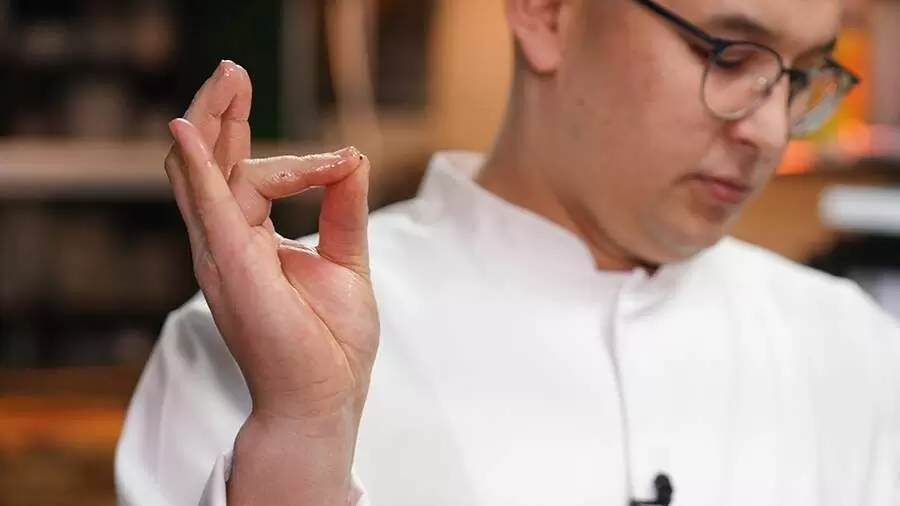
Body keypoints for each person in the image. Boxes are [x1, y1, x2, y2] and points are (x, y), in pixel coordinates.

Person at [115, 0, 900, 504]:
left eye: (803, 75)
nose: (769, 130)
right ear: (546, 13)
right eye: (729, 55)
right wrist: (301, 432)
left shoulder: (852, 347)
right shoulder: (263, 337)